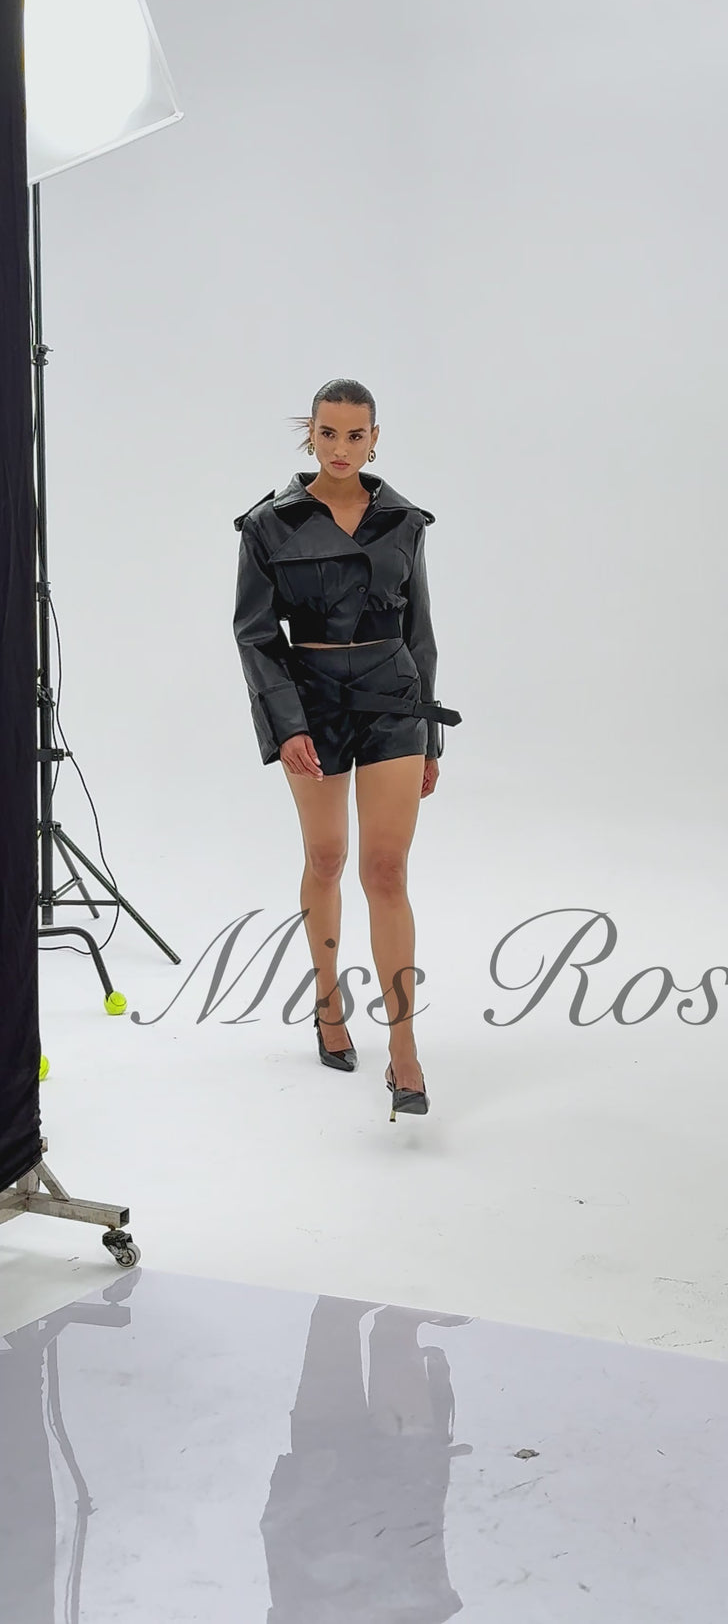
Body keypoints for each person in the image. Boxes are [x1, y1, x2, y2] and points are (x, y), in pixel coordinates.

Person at [232, 379, 460, 1121]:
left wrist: (429, 734)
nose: (340, 448)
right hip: (313, 701)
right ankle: (328, 1005)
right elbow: (255, 635)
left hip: (393, 698)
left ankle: (404, 1049)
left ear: (375, 439)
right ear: (311, 433)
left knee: (386, 869)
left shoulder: (404, 521)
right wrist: (286, 724)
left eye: (355, 435)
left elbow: (420, 629)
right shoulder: (269, 524)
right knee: (327, 858)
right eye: (327, 433)